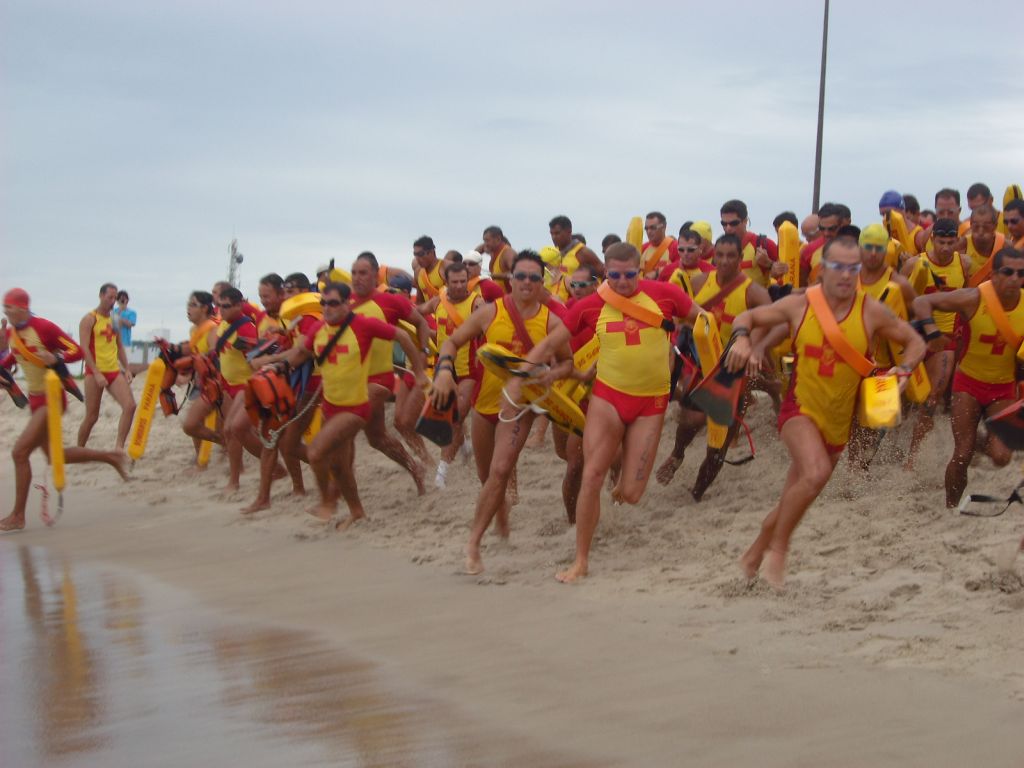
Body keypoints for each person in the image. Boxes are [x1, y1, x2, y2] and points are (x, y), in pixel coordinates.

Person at [723, 236, 925, 588]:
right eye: (838, 267)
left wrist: (904, 370)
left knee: (796, 495)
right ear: (822, 269)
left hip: (838, 423)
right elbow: (748, 316)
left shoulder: (871, 310)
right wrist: (742, 339)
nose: (846, 276)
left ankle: (753, 555)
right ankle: (779, 551)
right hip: (798, 410)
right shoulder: (800, 305)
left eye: (853, 268)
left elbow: (916, 342)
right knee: (814, 475)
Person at [508, 243, 701, 582]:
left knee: (632, 494)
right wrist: (521, 374)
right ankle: (581, 561)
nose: (622, 281)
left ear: (640, 270)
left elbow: (702, 320)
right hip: (608, 398)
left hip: (650, 403)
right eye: (614, 275)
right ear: (605, 273)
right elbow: (552, 343)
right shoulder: (590, 305)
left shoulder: (666, 295)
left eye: (629, 274)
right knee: (592, 474)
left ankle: (622, 482)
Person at [430, 251, 567, 575]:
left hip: (519, 408)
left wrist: (552, 374)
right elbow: (452, 342)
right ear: (511, 279)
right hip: (485, 403)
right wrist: (445, 371)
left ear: (542, 281)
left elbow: (568, 362)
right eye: (521, 276)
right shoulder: (491, 312)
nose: (527, 283)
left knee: (501, 468)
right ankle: (501, 519)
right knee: (487, 478)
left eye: (535, 277)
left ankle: (473, 545)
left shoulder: (552, 321)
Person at [282, 282, 425, 528]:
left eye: (333, 303)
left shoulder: (364, 322)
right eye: (323, 303)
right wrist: (270, 361)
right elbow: (297, 355)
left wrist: (419, 370)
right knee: (351, 457)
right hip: (331, 405)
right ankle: (358, 510)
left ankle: (328, 501)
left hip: (359, 401)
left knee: (317, 452)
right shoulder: (318, 328)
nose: (327, 308)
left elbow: (401, 335)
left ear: (347, 303)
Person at [1, 288, 128, 533]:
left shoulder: (43, 328)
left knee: (19, 453)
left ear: (23, 308)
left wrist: (55, 357)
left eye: (10, 307)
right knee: (55, 456)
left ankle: (18, 515)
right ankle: (111, 457)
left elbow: (76, 350)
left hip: (52, 399)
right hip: (36, 400)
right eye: (4, 307)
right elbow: (11, 361)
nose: (6, 311)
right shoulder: (12, 334)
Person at [655, 234, 773, 495]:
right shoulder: (698, 283)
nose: (724, 261)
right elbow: (682, 319)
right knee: (690, 418)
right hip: (699, 362)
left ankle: (697, 493)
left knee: (719, 442)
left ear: (741, 259)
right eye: (719, 255)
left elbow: (770, 323)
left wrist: (755, 347)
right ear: (713, 256)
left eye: (731, 256)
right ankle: (677, 454)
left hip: (733, 368)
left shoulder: (755, 292)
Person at [911, 247, 1024, 507]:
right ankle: (951, 507)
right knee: (962, 454)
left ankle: (977, 441)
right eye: (1008, 272)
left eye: (1021, 273)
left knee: (1002, 457)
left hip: (1003, 388)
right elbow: (921, 302)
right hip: (968, 385)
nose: (1015, 278)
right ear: (994, 274)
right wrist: (932, 333)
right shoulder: (973, 298)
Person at [350, 251, 432, 491]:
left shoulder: (391, 300)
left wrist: (424, 353)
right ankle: (415, 467)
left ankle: (342, 486)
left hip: (380, 378)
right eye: (354, 273)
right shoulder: (346, 303)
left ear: (376, 274)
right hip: (353, 378)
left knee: (348, 424)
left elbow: (421, 323)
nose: (357, 278)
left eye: (363, 273)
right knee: (377, 438)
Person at [900, 219, 972, 467]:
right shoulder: (914, 263)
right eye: (941, 242)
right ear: (932, 240)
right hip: (916, 336)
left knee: (933, 397)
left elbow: (969, 301)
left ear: (957, 242)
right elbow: (898, 302)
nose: (945, 247)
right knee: (900, 397)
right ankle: (886, 445)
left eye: (951, 242)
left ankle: (912, 457)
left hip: (944, 340)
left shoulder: (964, 264)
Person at [426, 260, 485, 487]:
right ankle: (464, 445)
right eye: (455, 282)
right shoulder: (438, 301)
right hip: (443, 369)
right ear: (446, 282)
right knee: (446, 417)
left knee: (455, 418)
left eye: (463, 281)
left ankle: (442, 471)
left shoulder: (476, 303)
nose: (460, 286)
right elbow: (418, 313)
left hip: (469, 370)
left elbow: (493, 324)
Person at [77, 283, 136, 450]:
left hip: (113, 370)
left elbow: (119, 346)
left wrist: (127, 368)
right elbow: (84, 349)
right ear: (101, 296)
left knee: (130, 406)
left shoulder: (115, 319)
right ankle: (79, 449)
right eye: (109, 297)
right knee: (92, 416)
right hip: (94, 371)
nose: (112, 301)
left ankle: (118, 448)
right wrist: (96, 373)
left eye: (114, 298)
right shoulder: (89, 319)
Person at [718, 199, 781, 287]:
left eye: (733, 223)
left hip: (759, 299)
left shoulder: (763, 244)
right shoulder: (720, 248)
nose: (728, 228)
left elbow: (785, 276)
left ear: (745, 221)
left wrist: (769, 264)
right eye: (724, 224)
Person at [546, 215, 604, 301]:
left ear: (569, 231)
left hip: (580, 303)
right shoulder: (555, 254)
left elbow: (603, 274)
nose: (554, 237)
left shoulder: (582, 252)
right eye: (552, 234)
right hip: (560, 303)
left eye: (557, 233)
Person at [965, 205, 1006, 285]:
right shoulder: (961, 246)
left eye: (986, 227)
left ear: (995, 225)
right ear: (970, 225)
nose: (980, 232)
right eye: (976, 226)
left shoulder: (1005, 246)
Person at [640, 211, 679, 278]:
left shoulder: (676, 247)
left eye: (653, 228)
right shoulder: (643, 248)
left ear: (664, 227)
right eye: (646, 228)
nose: (649, 231)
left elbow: (681, 267)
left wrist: (657, 273)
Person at [478, 226, 515, 291]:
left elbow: (517, 274)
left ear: (498, 239)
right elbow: (472, 256)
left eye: (487, 240)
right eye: (484, 241)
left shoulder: (508, 253)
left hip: (510, 299)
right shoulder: (494, 252)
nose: (485, 244)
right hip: (498, 299)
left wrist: (491, 276)